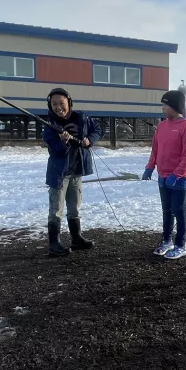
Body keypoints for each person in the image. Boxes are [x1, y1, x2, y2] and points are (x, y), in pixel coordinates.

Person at [43, 88, 104, 257]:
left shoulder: (81, 118)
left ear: (69, 102)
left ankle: (76, 238)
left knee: (74, 207)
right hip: (59, 173)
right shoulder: (50, 126)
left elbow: (97, 129)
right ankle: (54, 243)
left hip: (77, 170)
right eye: (54, 104)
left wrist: (89, 139)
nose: (58, 107)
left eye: (61, 103)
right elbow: (54, 151)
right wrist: (63, 143)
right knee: (56, 208)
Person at [143, 89, 186, 260]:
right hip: (162, 177)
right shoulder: (162, 126)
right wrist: (150, 167)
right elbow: (155, 149)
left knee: (178, 211)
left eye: (165, 104)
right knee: (167, 211)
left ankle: (181, 245)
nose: (163, 108)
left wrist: (177, 174)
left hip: (179, 179)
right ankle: (167, 241)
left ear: (174, 106)